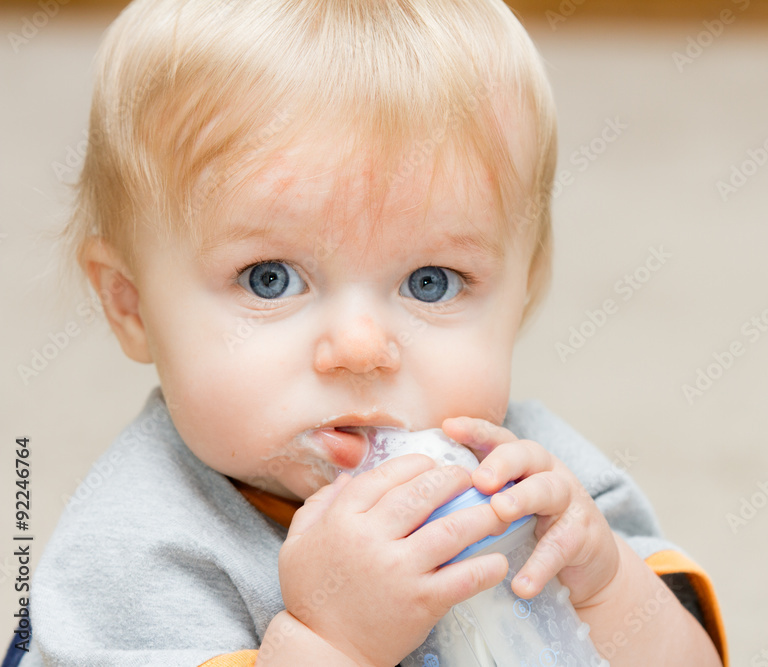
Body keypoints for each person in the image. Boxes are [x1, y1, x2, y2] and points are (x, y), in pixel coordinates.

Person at [16, 0, 728, 664]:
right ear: (132, 305)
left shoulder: (535, 487)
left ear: (522, 294)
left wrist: (604, 587)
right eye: (269, 278)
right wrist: (331, 641)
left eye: (431, 281)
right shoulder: (136, 553)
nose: (361, 349)